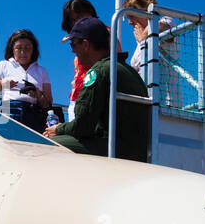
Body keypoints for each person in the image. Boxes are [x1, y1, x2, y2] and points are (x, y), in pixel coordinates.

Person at [44, 17, 150, 162]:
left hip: (116, 150)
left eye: (73, 45)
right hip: (138, 152)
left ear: (86, 44)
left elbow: (83, 126)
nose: (73, 50)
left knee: (44, 145)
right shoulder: (128, 71)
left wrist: (58, 129)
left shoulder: (98, 72)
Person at [60, 0, 121, 121]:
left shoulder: (106, 33)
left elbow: (118, 62)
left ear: (91, 13)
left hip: (96, 97)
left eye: (81, 16)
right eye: (73, 19)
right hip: (77, 97)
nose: (77, 21)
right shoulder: (77, 40)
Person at [0, 29, 52, 132]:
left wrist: (37, 94)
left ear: (33, 50)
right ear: (12, 49)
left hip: (34, 116)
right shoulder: (3, 65)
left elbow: (48, 103)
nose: (23, 52)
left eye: (27, 48)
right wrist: (2, 85)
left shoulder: (42, 71)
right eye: (19, 48)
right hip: (8, 112)